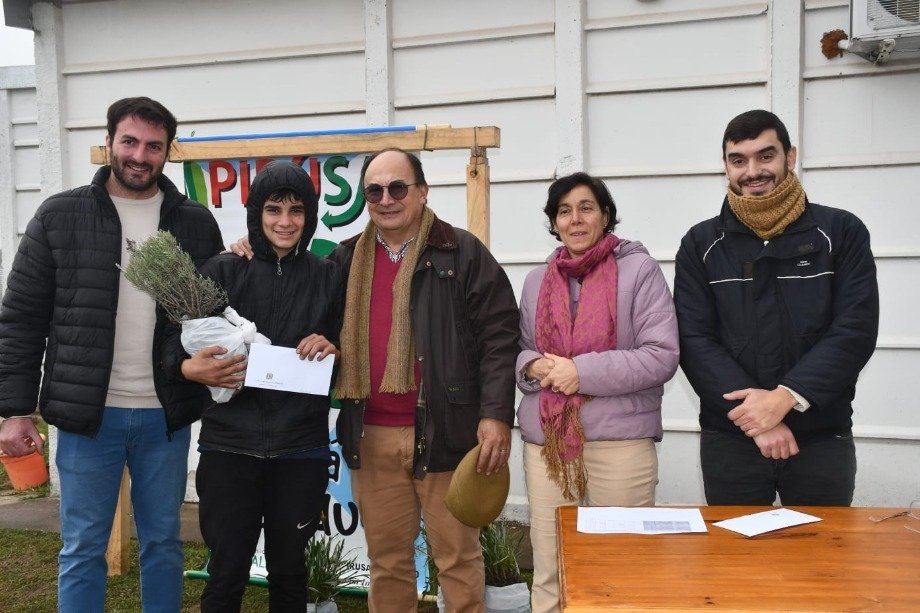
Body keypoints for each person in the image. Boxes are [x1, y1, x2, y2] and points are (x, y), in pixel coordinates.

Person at [0, 97, 226, 612]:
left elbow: (213, 312)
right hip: (88, 417)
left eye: (153, 146)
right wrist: (14, 410)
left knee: (163, 543)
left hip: (164, 417)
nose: (139, 156)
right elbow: (21, 319)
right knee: (83, 548)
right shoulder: (60, 216)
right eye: (129, 141)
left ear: (168, 151)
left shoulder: (194, 223)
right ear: (108, 142)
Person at [331, 148, 519, 611]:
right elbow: (300, 306)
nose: (386, 199)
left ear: (422, 191)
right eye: (374, 190)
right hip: (371, 436)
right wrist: (249, 247)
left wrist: (495, 415)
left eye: (398, 187)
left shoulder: (462, 252)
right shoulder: (344, 260)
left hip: (447, 433)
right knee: (388, 563)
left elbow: (500, 336)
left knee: (457, 559)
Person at [674, 109, 879, 506]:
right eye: (739, 160)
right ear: (726, 167)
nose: (752, 171)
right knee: (735, 546)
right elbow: (694, 339)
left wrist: (785, 398)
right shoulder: (700, 244)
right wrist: (757, 419)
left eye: (765, 156)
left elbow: (854, 329)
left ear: (790, 156)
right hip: (732, 439)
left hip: (821, 436)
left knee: (821, 545)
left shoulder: (841, 232)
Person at [175, 161, 343, 612]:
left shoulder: (329, 276)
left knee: (290, 572)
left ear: (309, 215)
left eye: (296, 210)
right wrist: (190, 367)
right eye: (273, 210)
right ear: (256, 214)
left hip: (300, 449)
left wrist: (334, 347)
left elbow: (349, 349)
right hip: (229, 448)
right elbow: (176, 341)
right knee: (226, 572)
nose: (285, 221)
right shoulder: (222, 271)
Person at [516, 172, 679, 612]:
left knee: (621, 570)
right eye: (564, 211)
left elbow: (660, 355)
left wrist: (580, 373)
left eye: (586, 208)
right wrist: (531, 366)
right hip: (549, 446)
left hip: (620, 444)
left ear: (605, 216)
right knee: (551, 568)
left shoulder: (639, 271)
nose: (575, 219)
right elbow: (523, 349)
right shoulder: (536, 280)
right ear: (554, 222)